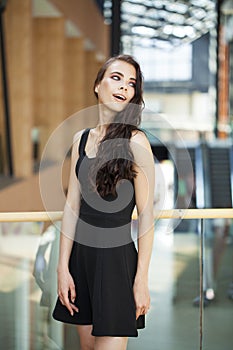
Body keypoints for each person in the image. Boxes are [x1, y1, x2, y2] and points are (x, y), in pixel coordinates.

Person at [52, 54, 155, 350]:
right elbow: (72, 206)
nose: (124, 86)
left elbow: (146, 216)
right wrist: (62, 267)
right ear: (97, 85)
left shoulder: (137, 142)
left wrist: (141, 280)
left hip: (116, 262)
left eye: (131, 83)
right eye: (116, 77)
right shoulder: (80, 139)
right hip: (80, 260)